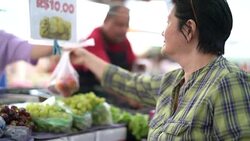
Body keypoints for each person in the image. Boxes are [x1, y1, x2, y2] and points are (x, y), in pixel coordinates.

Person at [69, 0, 250, 140]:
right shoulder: (172, 81)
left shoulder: (228, 81)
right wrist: (85, 56)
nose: (163, 32)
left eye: (168, 22)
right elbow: (130, 83)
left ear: (189, 29)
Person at [74, 4, 138, 108]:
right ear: (106, 21)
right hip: (87, 100)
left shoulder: (124, 42)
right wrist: (130, 98)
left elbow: (131, 69)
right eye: (119, 25)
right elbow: (104, 75)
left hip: (112, 99)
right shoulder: (94, 39)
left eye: (126, 25)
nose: (123, 29)